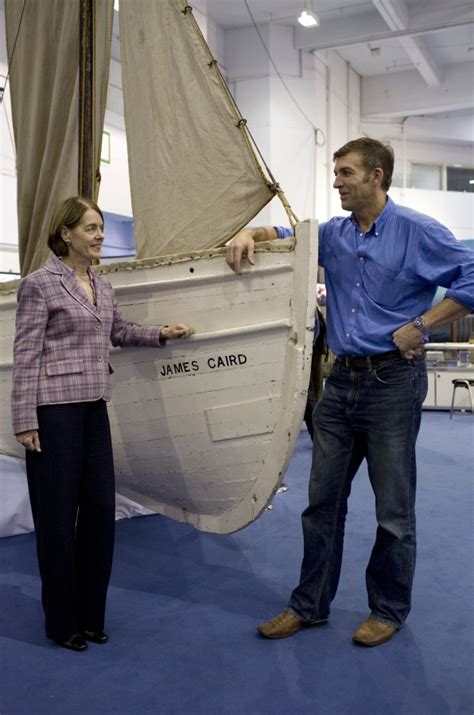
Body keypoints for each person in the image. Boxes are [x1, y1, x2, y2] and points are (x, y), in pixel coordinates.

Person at [226, 137, 474, 646]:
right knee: (321, 505)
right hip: (338, 386)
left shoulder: (418, 231)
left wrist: (423, 324)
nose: (336, 182)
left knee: (393, 511)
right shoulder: (333, 235)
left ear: (376, 176)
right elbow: (286, 235)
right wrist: (251, 231)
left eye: (345, 173)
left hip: (392, 384)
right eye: (335, 173)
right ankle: (309, 604)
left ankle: (387, 610)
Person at [11, 196, 193, 652]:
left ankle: (91, 616)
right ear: (66, 233)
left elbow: (117, 330)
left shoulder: (102, 285)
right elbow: (26, 355)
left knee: (99, 517)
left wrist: (159, 334)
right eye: (91, 228)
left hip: (95, 410)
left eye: (100, 228)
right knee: (55, 520)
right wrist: (23, 420)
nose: (99, 236)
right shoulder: (40, 285)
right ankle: (62, 623)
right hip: (53, 415)